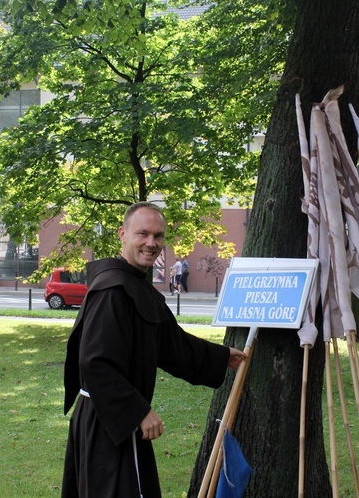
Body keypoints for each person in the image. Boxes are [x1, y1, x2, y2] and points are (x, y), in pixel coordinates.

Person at [62, 202, 246, 498]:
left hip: (117, 419)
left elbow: (170, 344)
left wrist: (221, 357)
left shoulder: (136, 286)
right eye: (143, 234)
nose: (152, 243)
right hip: (107, 421)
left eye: (158, 236)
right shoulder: (112, 290)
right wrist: (138, 411)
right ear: (123, 234)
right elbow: (95, 362)